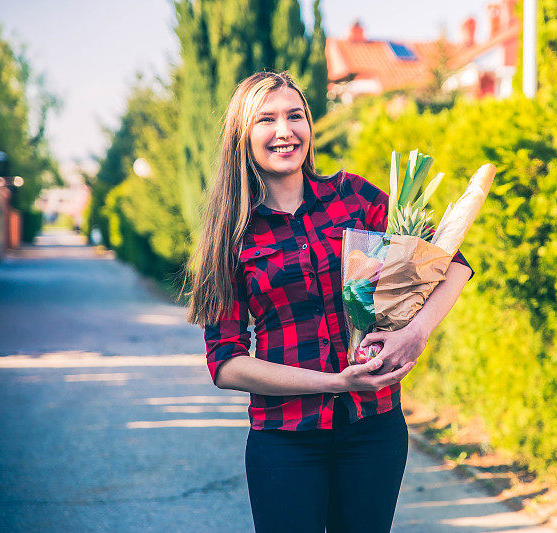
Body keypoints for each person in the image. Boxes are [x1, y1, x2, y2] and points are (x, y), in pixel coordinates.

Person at [185, 71, 474, 533]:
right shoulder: (231, 235)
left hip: (374, 430)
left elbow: (451, 262)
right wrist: (335, 383)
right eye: (267, 119)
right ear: (243, 136)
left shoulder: (354, 197)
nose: (285, 131)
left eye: (295, 116)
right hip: (284, 440)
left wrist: (413, 335)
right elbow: (226, 363)